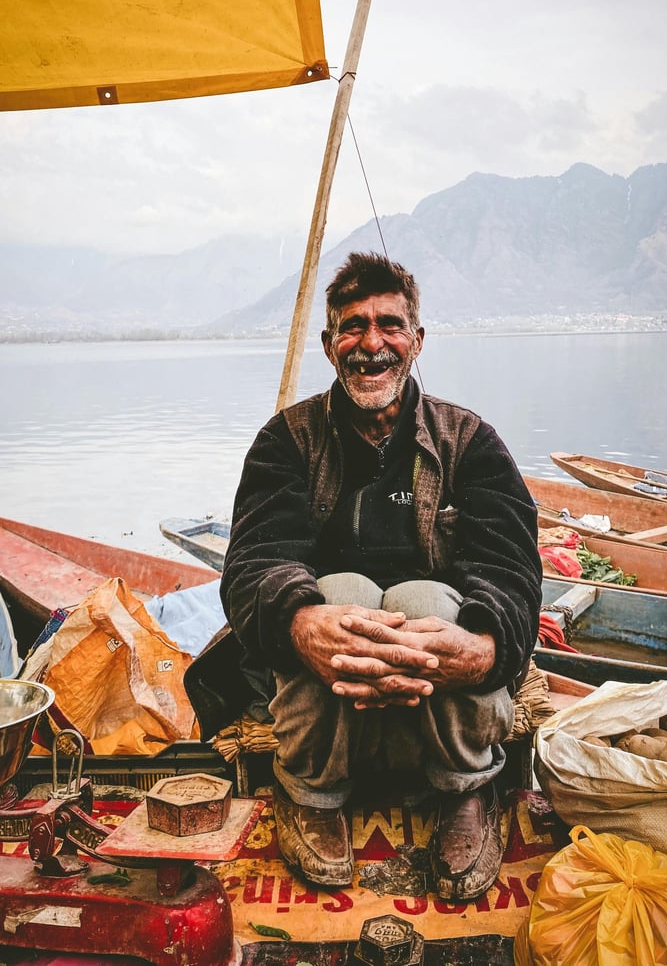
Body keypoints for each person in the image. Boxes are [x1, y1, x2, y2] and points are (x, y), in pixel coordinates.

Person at [220, 251, 542, 901]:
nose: (372, 343)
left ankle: (466, 790)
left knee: (423, 602)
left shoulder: (471, 443)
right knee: (344, 596)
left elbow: (512, 573)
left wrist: (478, 649)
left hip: (441, 691)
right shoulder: (286, 442)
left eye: (390, 325)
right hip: (326, 697)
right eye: (353, 325)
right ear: (329, 343)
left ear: (417, 341)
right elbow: (254, 562)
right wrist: (303, 619)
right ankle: (313, 792)